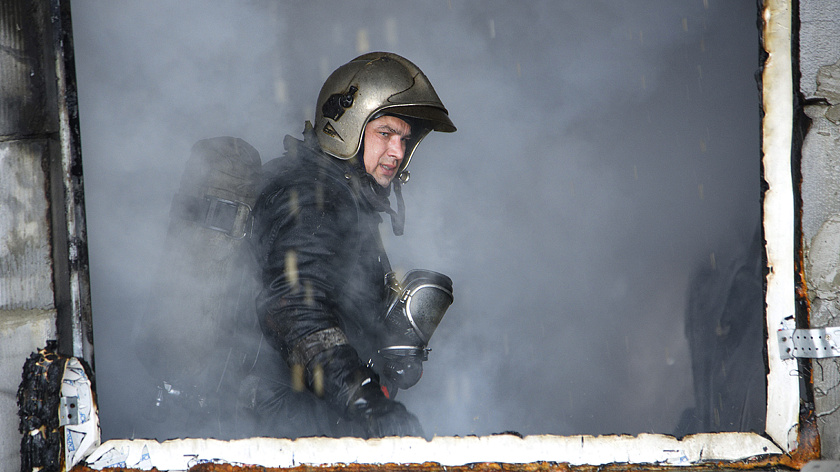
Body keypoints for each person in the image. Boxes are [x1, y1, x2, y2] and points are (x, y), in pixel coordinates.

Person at [244, 52, 456, 439]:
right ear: (347, 127)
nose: (398, 152)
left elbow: (335, 303)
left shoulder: (345, 197)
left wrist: (386, 346)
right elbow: (295, 308)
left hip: (305, 423)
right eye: (385, 134)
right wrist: (364, 399)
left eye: (404, 139)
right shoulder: (312, 195)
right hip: (279, 430)